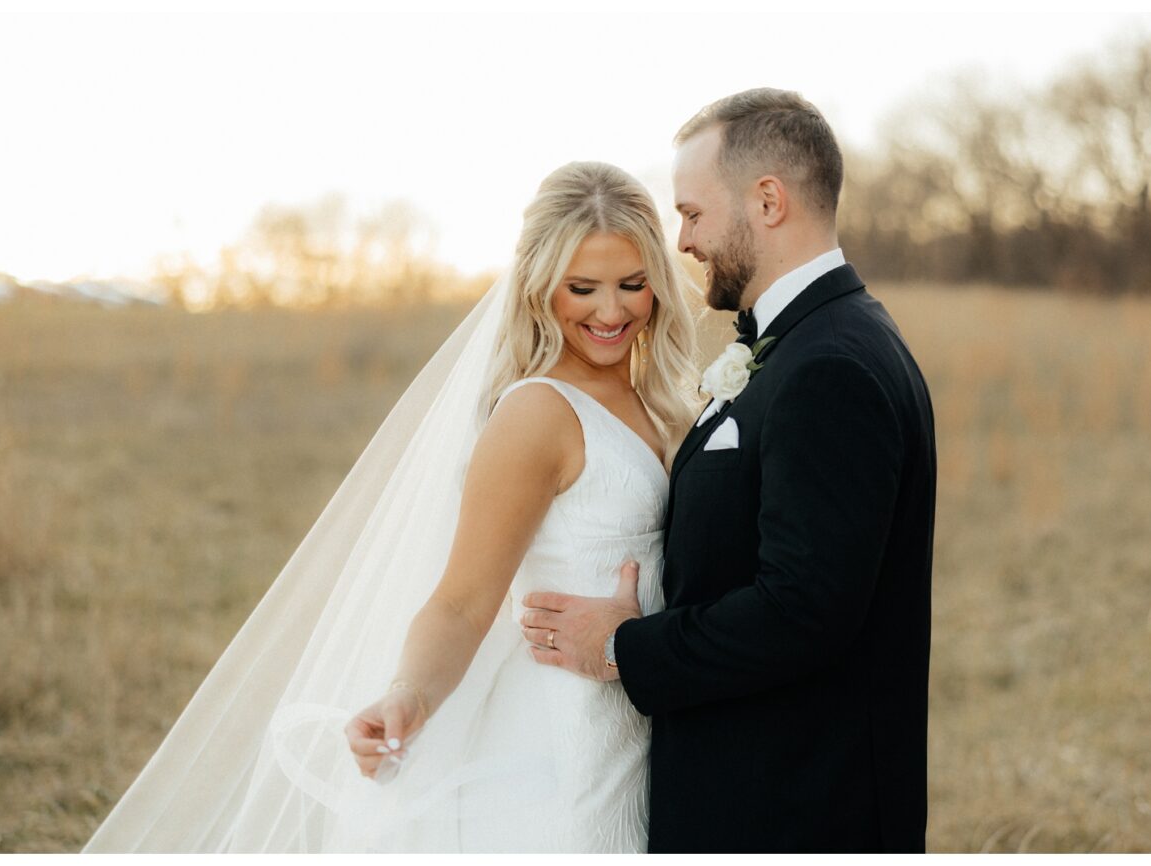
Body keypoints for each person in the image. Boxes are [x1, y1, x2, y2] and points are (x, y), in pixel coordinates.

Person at [84, 161, 706, 852]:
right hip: (564, 744)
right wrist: (408, 693)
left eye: (632, 284)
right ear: (538, 287)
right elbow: (463, 602)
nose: (611, 311)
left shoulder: (664, 401)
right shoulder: (538, 414)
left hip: (644, 717)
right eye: (582, 288)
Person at [517, 88, 940, 853]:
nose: (681, 241)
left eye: (694, 213)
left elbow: (802, 611)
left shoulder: (830, 366)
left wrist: (623, 647)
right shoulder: (808, 344)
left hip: (794, 814)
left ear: (768, 201)